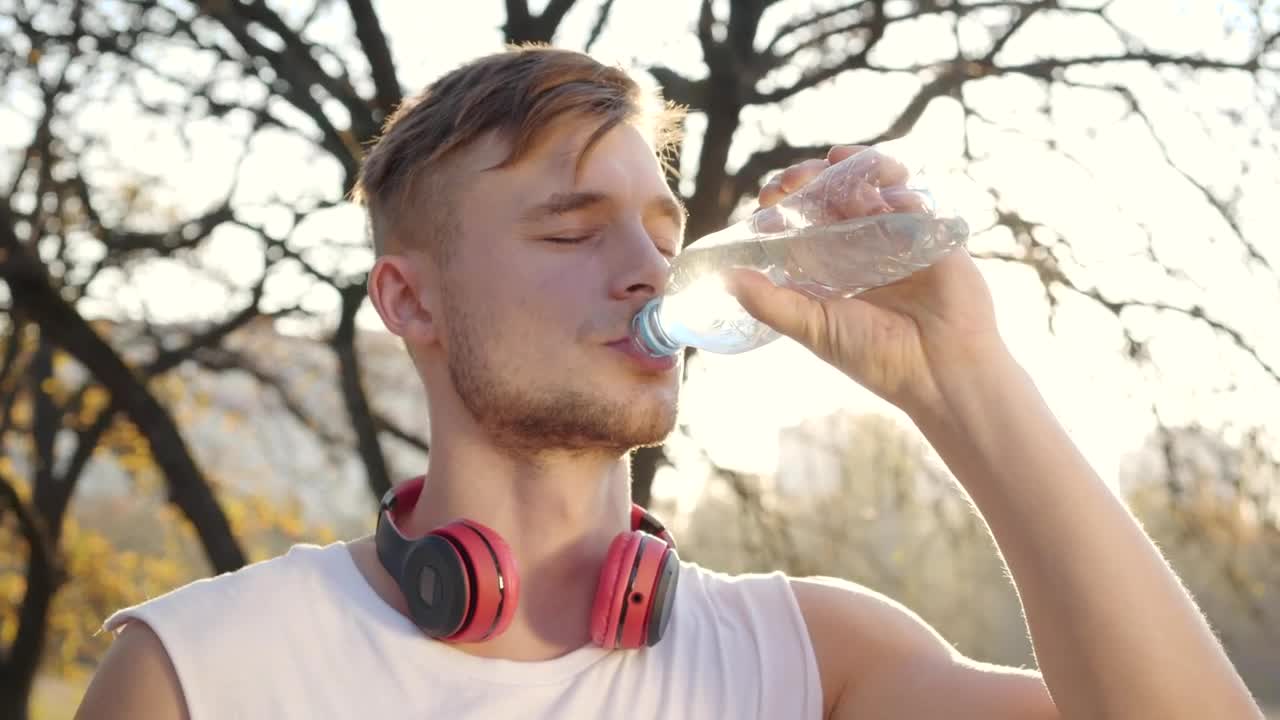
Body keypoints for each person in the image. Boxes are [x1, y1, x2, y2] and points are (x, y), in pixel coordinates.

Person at [75, 46, 1263, 720]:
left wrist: (962, 376)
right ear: (409, 301)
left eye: (659, 223)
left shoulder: (814, 659)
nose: (647, 265)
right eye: (567, 230)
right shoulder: (195, 676)